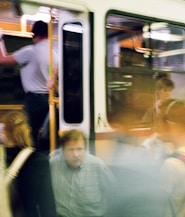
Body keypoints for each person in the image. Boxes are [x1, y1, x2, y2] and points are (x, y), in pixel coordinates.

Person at [0, 20, 58, 149]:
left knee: (25, 134)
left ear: (35, 36)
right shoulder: (55, 53)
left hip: (34, 100)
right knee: (46, 134)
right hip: (50, 99)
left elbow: (2, 59)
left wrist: (0, 39)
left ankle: (28, 161)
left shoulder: (31, 51)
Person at [2, 111, 56, 217]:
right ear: (28, 131)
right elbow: (46, 204)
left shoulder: (1, 158)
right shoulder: (39, 161)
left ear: (4, 132)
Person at [49, 129, 114, 217]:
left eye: (79, 149)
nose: (76, 154)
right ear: (63, 151)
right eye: (71, 150)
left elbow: (114, 191)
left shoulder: (97, 165)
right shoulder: (53, 165)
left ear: (85, 149)